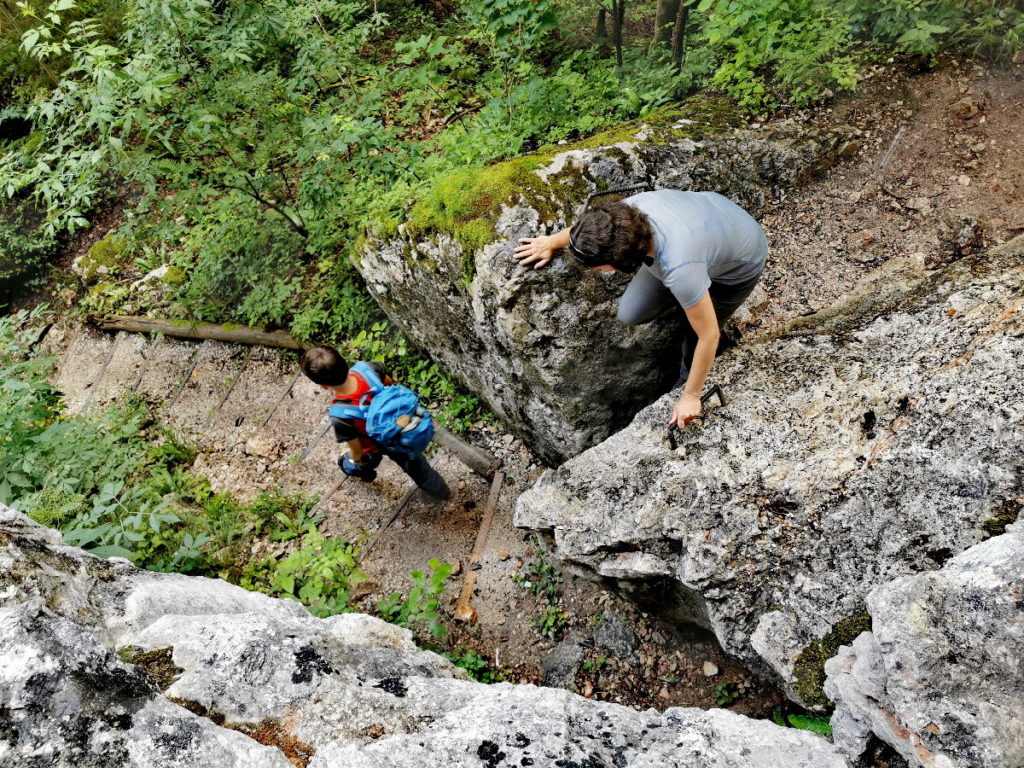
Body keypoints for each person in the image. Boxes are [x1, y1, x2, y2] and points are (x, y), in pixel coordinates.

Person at [513, 189, 766, 429]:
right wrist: (550, 242)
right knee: (631, 312)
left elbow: (708, 335)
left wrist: (691, 395)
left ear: (619, 260)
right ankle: (692, 300)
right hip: (705, 222)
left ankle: (684, 381)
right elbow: (590, 231)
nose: (594, 271)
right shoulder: (624, 218)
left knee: (696, 331)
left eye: (597, 267)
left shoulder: (680, 269)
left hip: (739, 260)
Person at [299, 346, 450, 499]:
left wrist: (356, 460)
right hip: (399, 433)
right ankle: (441, 492)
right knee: (419, 470)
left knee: (352, 461)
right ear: (344, 361)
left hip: (374, 446)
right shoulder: (367, 369)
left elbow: (357, 449)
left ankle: (365, 473)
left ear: (323, 386)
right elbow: (390, 383)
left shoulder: (339, 414)